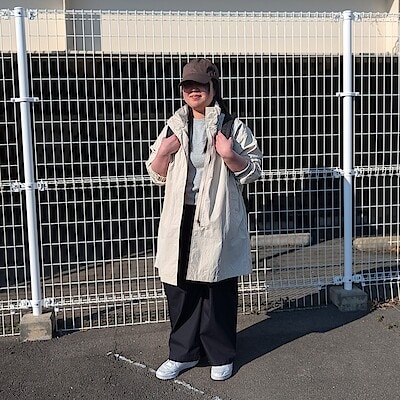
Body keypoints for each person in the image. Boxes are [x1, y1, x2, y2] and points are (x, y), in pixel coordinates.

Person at [146, 58, 262, 381]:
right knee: (179, 287)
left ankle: (220, 354)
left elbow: (254, 169)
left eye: (200, 85)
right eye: (188, 85)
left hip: (218, 214)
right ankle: (182, 353)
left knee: (217, 284)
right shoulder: (174, 126)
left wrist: (230, 155)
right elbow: (156, 174)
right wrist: (164, 152)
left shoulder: (231, 126)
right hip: (180, 214)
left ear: (213, 87)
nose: (193, 91)